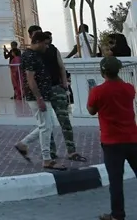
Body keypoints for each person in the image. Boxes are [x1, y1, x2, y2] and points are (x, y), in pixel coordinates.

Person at [87, 56, 137, 220]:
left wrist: (92, 93)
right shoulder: (129, 88)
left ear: (103, 72)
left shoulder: (98, 91)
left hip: (111, 142)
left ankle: (117, 215)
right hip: (132, 138)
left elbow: (91, 110)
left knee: (116, 181)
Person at [14, 31, 67, 170]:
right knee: (45, 126)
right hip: (38, 96)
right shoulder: (29, 56)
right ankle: (47, 159)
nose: (47, 47)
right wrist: (39, 98)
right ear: (37, 42)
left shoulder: (35, 55)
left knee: (46, 125)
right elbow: (30, 79)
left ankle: (23, 144)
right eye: (45, 44)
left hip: (43, 95)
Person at [42, 32, 86, 162]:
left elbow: (61, 66)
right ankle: (59, 151)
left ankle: (66, 151)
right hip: (50, 90)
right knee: (53, 123)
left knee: (59, 121)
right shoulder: (35, 54)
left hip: (54, 88)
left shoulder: (51, 50)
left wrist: (64, 83)